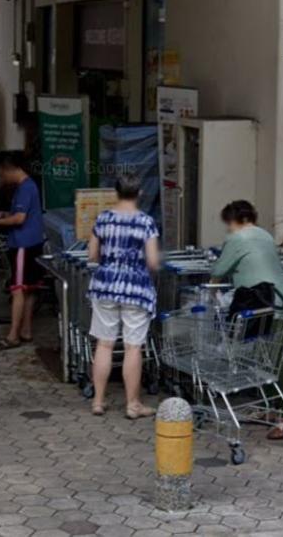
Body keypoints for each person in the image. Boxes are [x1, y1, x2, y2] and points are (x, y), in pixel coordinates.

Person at [210, 199, 283, 439]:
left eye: (228, 223)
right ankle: (273, 409)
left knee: (271, 363)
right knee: (267, 359)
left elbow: (219, 270)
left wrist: (212, 290)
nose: (227, 228)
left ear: (234, 220)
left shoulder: (237, 238)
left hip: (262, 303)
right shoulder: (266, 236)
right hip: (278, 299)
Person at [86, 173, 162, 420]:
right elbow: (151, 261)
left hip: (105, 285)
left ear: (115, 193)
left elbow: (93, 255)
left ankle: (98, 401)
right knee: (132, 347)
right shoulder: (146, 222)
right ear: (139, 193)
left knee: (104, 344)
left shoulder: (103, 219)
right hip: (136, 289)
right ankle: (132, 405)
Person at [0, 152, 45, 350]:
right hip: (34, 242)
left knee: (17, 289)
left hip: (23, 244)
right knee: (30, 289)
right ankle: (26, 330)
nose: (1, 178)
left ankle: (13, 335)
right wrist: (2, 214)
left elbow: (19, 219)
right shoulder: (28, 186)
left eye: (0, 173)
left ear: (9, 168)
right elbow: (18, 214)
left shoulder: (25, 188)